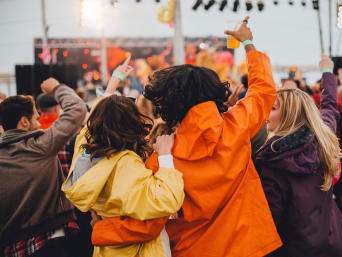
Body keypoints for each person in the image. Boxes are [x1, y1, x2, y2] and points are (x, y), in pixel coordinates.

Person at [90, 17, 282, 257]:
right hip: (252, 245)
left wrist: (101, 229)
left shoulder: (162, 160)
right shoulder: (237, 125)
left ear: (167, 105)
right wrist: (248, 43)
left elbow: (148, 223)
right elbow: (263, 89)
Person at [61, 56, 185, 257]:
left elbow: (91, 124)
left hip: (108, 249)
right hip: (136, 249)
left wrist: (114, 82)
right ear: (131, 123)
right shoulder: (124, 163)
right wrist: (165, 157)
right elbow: (166, 201)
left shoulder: (84, 151)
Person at [254, 55, 342, 256]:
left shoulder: (272, 161)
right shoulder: (322, 139)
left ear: (289, 115)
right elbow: (329, 108)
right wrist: (327, 73)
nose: (267, 111)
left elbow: (269, 223)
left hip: (294, 249)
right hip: (332, 242)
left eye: (273, 108)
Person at [0, 78, 87, 257]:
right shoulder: (40, 146)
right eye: (35, 118)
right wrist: (56, 87)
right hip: (47, 241)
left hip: (10, 245)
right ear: (24, 122)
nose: (39, 123)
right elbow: (77, 109)